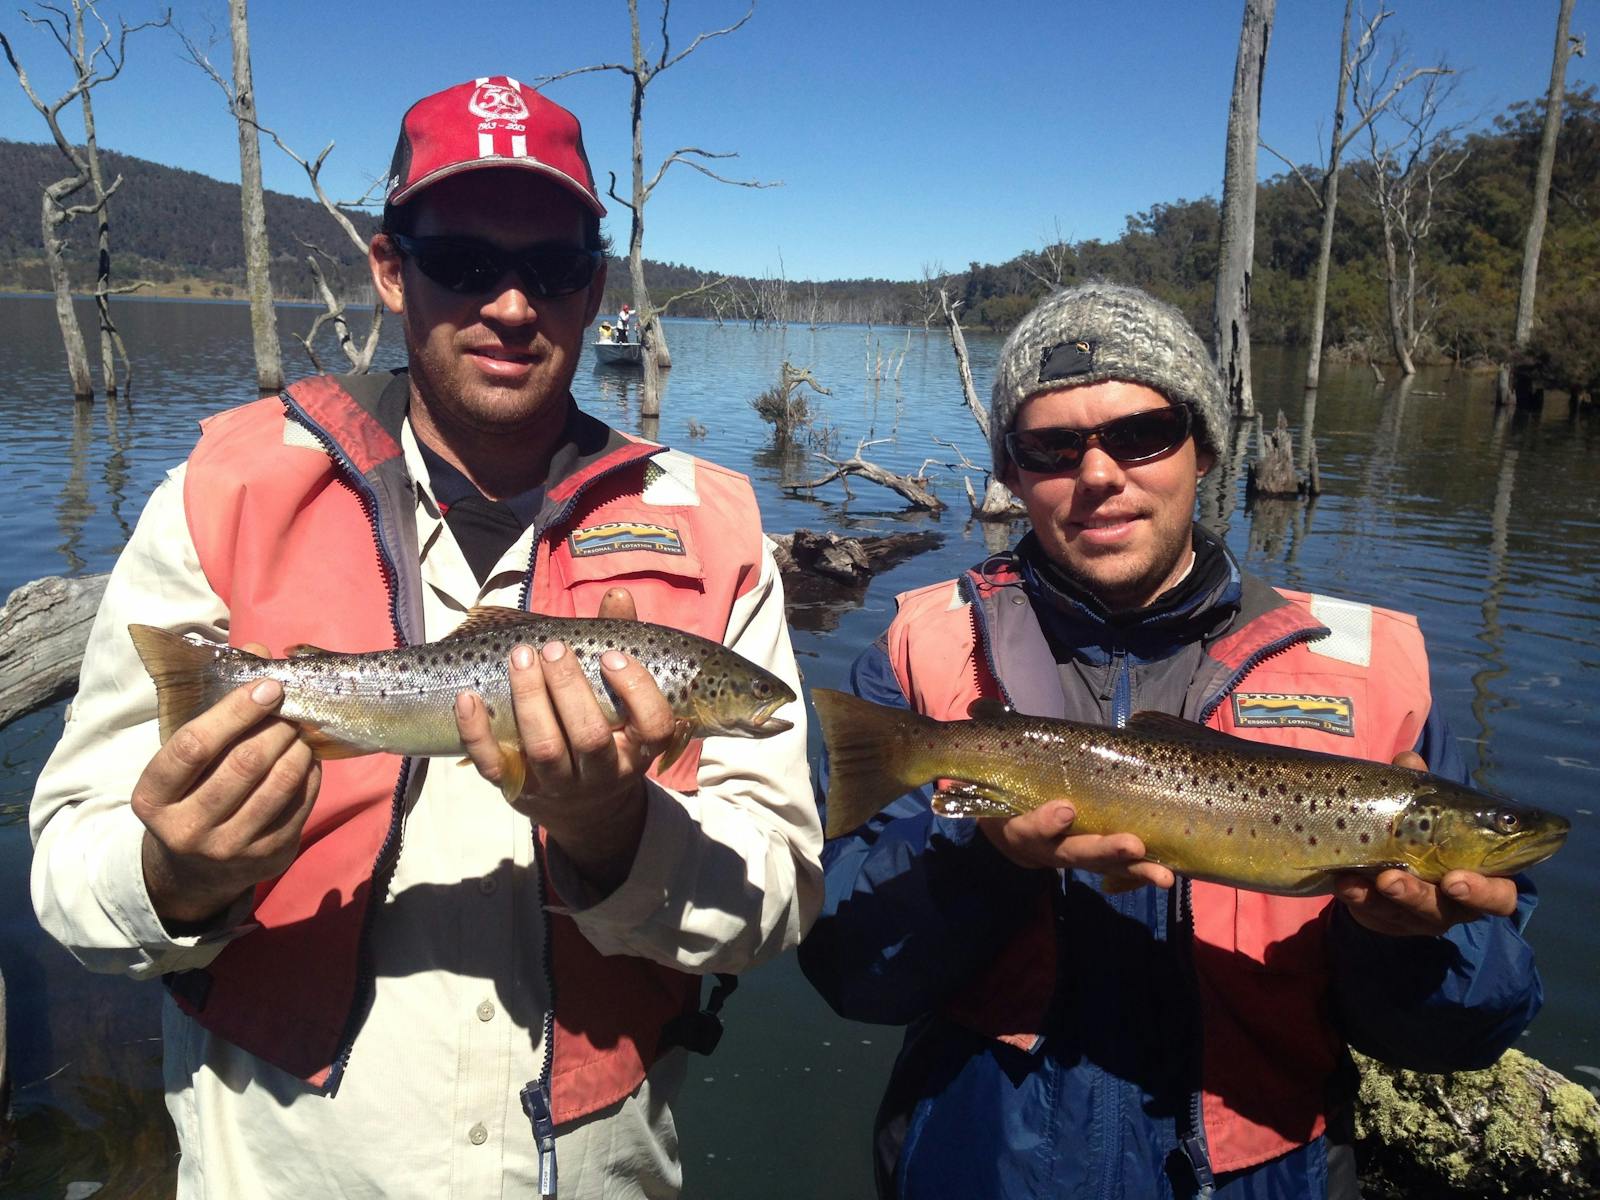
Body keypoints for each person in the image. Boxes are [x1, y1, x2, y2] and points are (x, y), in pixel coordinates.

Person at [31, 75, 820, 1199]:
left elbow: (778, 897)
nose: (510, 303)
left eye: (549, 266)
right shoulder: (224, 491)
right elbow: (67, 877)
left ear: (593, 286)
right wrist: (174, 875)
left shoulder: (717, 524)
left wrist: (616, 831)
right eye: (461, 260)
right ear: (391, 269)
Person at [798, 282, 1544, 1200]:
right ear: (1015, 470)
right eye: (1052, 446)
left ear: (1204, 447)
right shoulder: (920, 656)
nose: (1099, 473)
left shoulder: (1376, 678)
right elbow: (847, 972)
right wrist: (980, 860)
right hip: (979, 1169)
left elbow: (1468, 1033)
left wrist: (1403, 940)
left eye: (1142, 434)